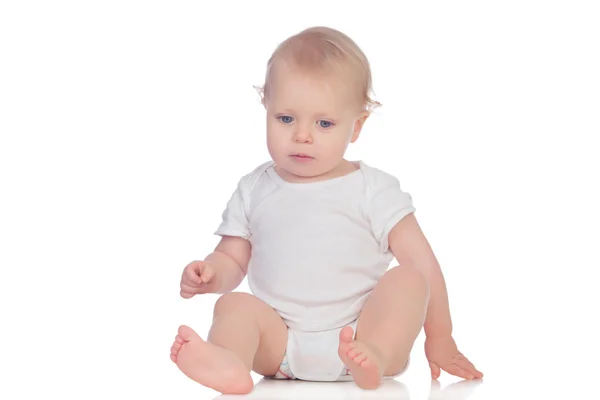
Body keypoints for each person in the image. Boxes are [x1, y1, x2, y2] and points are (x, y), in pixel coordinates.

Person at [169, 26, 483, 395]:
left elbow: (426, 266)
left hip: (364, 333)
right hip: (280, 345)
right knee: (233, 305)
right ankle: (230, 363)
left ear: (357, 127)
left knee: (411, 279)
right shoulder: (254, 188)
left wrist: (440, 338)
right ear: (266, 110)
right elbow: (233, 260)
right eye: (286, 119)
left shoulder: (373, 190)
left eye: (324, 123)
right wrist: (211, 274)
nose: (302, 135)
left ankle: (374, 360)